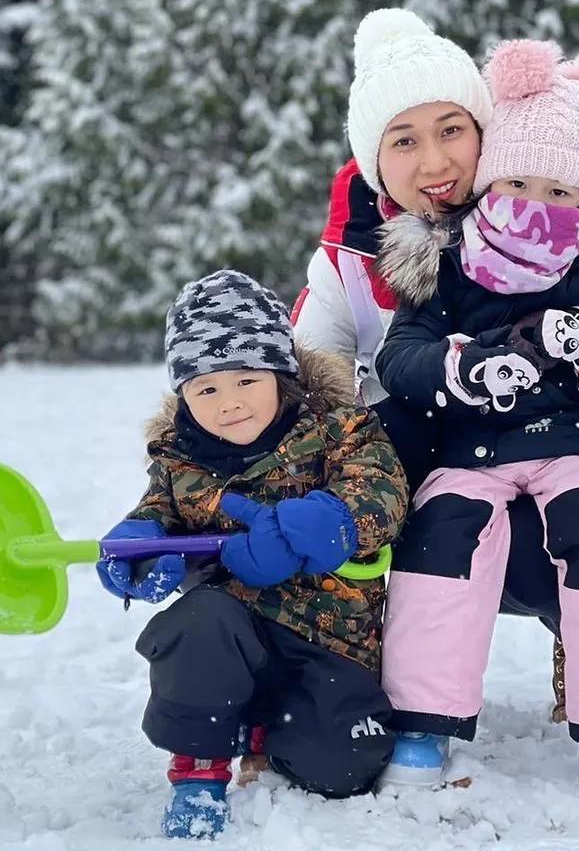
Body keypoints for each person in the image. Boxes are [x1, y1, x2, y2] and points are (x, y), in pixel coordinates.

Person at [292, 9, 579, 722]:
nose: (434, 163)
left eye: (452, 130)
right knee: (350, 501)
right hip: (415, 481)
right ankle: (344, 662)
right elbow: (302, 399)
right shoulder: (348, 264)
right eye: (404, 140)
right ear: (373, 160)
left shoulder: (576, 229)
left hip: (549, 469)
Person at [374, 38, 579, 791]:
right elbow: (402, 354)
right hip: (472, 451)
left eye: (561, 191)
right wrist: (464, 369)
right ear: (490, 179)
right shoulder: (448, 257)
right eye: (516, 181)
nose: (535, 204)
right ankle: (421, 719)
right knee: (441, 538)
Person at [97, 269, 408, 838]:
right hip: (228, 636)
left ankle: (268, 728)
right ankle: (200, 766)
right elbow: (156, 514)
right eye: (206, 389)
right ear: (184, 395)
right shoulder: (178, 459)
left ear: (280, 373)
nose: (230, 403)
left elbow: (380, 493)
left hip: (328, 640)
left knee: (343, 766)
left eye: (245, 379)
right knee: (197, 622)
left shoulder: (341, 430)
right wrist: (137, 546)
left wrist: (319, 525)